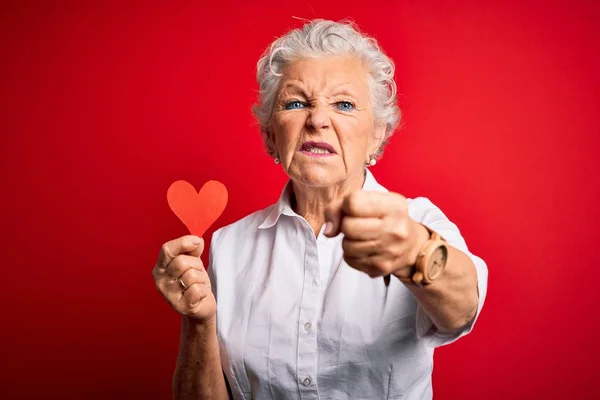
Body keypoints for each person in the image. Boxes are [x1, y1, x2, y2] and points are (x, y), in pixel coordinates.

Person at [152, 19, 488, 400]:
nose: (317, 120)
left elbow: (461, 310)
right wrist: (199, 322)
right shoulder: (228, 246)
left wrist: (414, 251)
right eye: (296, 103)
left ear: (377, 134)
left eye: (344, 104)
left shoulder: (418, 222)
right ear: (270, 135)